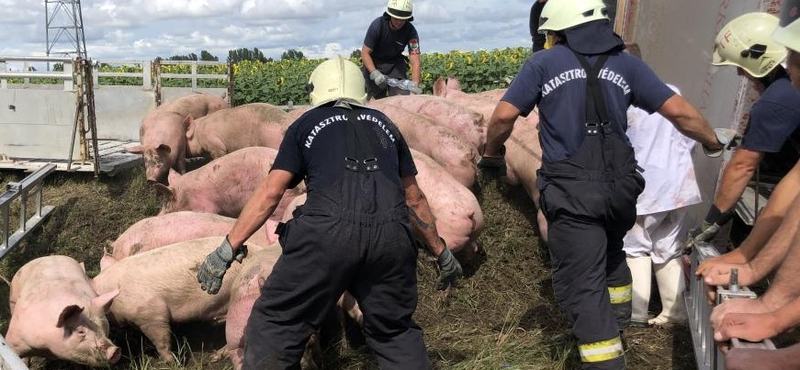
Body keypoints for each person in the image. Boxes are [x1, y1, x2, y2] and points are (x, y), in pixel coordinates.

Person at [478, 0, 730, 368]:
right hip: (621, 191)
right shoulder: (628, 64)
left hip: (572, 192)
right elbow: (679, 111)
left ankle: (605, 359)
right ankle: (620, 325)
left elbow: (502, 117)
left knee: (582, 284)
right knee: (613, 255)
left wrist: (493, 154)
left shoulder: (542, 64)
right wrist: (711, 142)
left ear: (559, 30)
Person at [195, 56, 462, 369]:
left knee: (275, 326)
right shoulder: (386, 127)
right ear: (361, 92)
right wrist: (441, 251)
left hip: (326, 236)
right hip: (391, 238)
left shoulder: (305, 125)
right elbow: (414, 199)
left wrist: (227, 248)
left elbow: (271, 193)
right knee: (395, 332)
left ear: (315, 93)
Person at [685, 12, 800, 249]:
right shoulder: (787, 91)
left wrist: (710, 222)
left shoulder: (776, 100)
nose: (740, 74)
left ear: (758, 57)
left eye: (741, 66)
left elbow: (742, 166)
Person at [622, 45, 702, 327]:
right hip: (678, 185)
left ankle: (636, 314)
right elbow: (690, 136)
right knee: (669, 247)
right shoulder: (671, 91)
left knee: (635, 247)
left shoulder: (622, 98)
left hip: (643, 187)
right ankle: (673, 312)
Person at [361, 0, 421, 100]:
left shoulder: (411, 31)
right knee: (374, 101)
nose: (399, 22)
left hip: (395, 65)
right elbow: (365, 53)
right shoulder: (377, 26)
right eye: (396, 19)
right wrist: (374, 73)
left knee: (401, 98)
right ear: (389, 16)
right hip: (374, 63)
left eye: (403, 20)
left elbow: (415, 59)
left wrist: (415, 84)